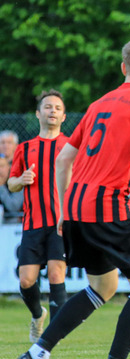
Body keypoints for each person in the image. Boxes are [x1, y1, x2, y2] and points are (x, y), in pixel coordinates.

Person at [14, 36, 130, 359]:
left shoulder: (98, 104)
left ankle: (36, 356)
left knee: (103, 286)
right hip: (109, 205)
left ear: (123, 67)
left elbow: (63, 160)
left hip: (76, 206)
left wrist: (63, 209)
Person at [7, 90, 68, 343]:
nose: (52, 111)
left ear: (63, 116)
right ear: (38, 113)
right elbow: (11, 184)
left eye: (57, 108)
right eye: (48, 107)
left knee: (56, 274)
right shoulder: (25, 148)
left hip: (60, 224)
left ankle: (52, 337)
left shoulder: (70, 147)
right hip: (32, 224)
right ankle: (37, 314)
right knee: (26, 280)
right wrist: (21, 180)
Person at [0, 155, 24, 223]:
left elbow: (14, 207)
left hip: (13, 224)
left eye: (2, 166)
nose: (0, 170)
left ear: (9, 167)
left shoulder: (16, 181)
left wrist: (1, 187)